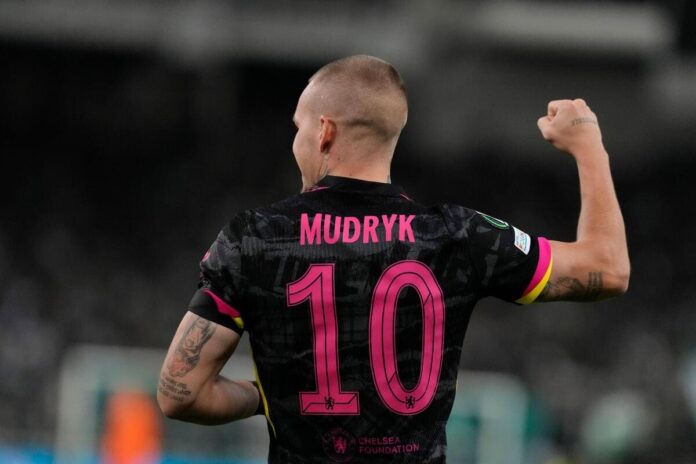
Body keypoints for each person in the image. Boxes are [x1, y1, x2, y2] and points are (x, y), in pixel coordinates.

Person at [157, 55, 629, 463]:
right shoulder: (457, 235)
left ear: (324, 132)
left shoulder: (254, 238)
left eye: (298, 127)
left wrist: (266, 397)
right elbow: (608, 269)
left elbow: (181, 393)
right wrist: (589, 147)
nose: (296, 141)